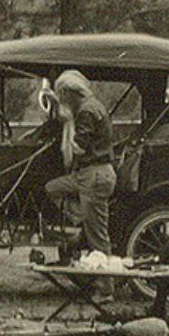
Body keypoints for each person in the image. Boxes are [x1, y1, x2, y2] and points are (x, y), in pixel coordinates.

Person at [44, 70, 117, 293]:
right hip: (89, 174)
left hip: (93, 176)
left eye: (62, 96)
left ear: (68, 93)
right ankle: (80, 222)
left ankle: (107, 289)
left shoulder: (86, 112)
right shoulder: (92, 106)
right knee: (52, 188)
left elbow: (78, 148)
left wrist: (68, 122)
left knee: (98, 238)